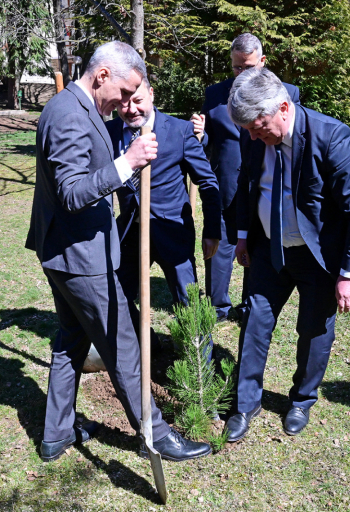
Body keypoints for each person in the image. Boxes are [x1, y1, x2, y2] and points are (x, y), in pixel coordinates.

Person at [25, 41, 211, 463]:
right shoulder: (69, 114)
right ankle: (155, 436)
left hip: (64, 250)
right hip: (80, 257)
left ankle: (56, 434)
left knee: (71, 341)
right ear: (103, 75)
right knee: (123, 346)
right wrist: (128, 162)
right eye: (124, 92)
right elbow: (72, 192)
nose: (126, 103)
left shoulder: (77, 107)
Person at [224, 68, 350, 442]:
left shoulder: (330, 136)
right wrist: (242, 236)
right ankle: (245, 404)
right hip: (268, 249)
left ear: (283, 108)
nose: (253, 137)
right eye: (248, 130)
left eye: (259, 128)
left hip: (318, 255)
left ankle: (302, 400)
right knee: (255, 323)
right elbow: (246, 184)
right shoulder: (254, 135)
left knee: (313, 330)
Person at [192, 33, 300, 323]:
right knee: (221, 246)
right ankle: (218, 306)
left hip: (264, 186)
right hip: (226, 183)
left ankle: (250, 303)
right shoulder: (214, 95)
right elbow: (207, 142)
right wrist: (200, 135)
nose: (241, 73)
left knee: (257, 245)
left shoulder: (287, 92)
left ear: (262, 61)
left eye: (248, 67)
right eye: (236, 67)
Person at [105, 78, 221, 320]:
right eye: (123, 103)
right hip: (130, 231)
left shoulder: (179, 130)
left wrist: (212, 231)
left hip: (172, 231)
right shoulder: (109, 132)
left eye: (137, 100)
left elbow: (208, 182)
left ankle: (198, 347)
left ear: (151, 94)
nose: (131, 109)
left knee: (188, 305)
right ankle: (139, 339)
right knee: (116, 298)